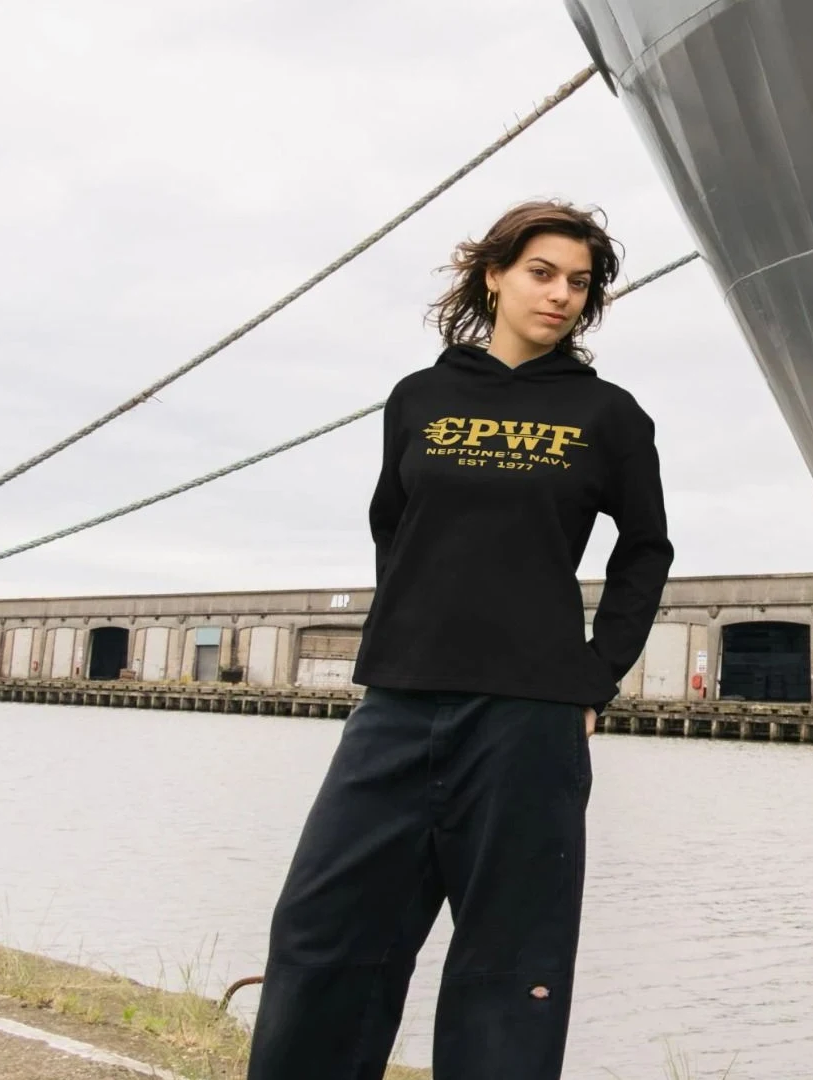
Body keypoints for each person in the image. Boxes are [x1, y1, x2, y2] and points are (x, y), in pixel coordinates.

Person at [246, 199, 674, 1080]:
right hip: (398, 704)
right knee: (322, 933)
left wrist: (596, 675)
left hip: (529, 719)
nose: (560, 295)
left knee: (510, 964)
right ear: (494, 275)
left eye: (578, 283)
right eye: (541, 273)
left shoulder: (609, 416)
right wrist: (416, 626)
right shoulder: (420, 399)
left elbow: (645, 550)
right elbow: (393, 528)